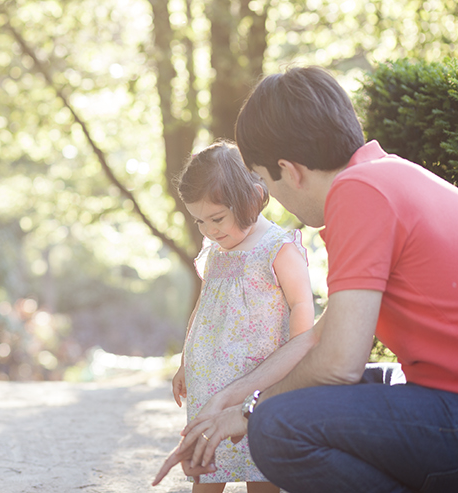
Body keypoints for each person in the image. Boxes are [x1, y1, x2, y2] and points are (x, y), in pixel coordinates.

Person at [153, 66, 458, 491]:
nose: (267, 195)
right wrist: (235, 395)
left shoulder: (359, 194)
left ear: (289, 170)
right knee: (297, 397)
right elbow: (320, 338)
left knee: (276, 427)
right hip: (441, 394)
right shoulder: (388, 176)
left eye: (261, 179)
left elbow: (338, 364)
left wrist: (251, 412)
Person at [167, 141, 314, 493]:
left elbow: (301, 305)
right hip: (209, 379)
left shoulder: (277, 247)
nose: (209, 230)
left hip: (259, 377)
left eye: (217, 218)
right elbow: (204, 311)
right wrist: (186, 362)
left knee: (261, 465)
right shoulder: (215, 252)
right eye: (200, 220)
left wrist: (297, 361)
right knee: (206, 466)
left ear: (251, 199)